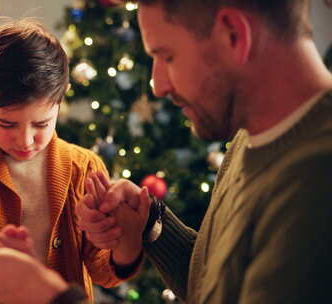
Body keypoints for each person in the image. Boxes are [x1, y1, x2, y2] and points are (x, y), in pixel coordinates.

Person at [76, 0, 332, 303]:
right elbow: (218, 287)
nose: (157, 86)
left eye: (167, 56)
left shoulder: (318, 178)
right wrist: (148, 223)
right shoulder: (247, 139)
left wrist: (49, 296)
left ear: (233, 34)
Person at [0, 19, 139, 302]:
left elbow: (104, 273)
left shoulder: (85, 168)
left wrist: (125, 242)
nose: (25, 140)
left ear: (60, 101)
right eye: (7, 124)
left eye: (41, 124)